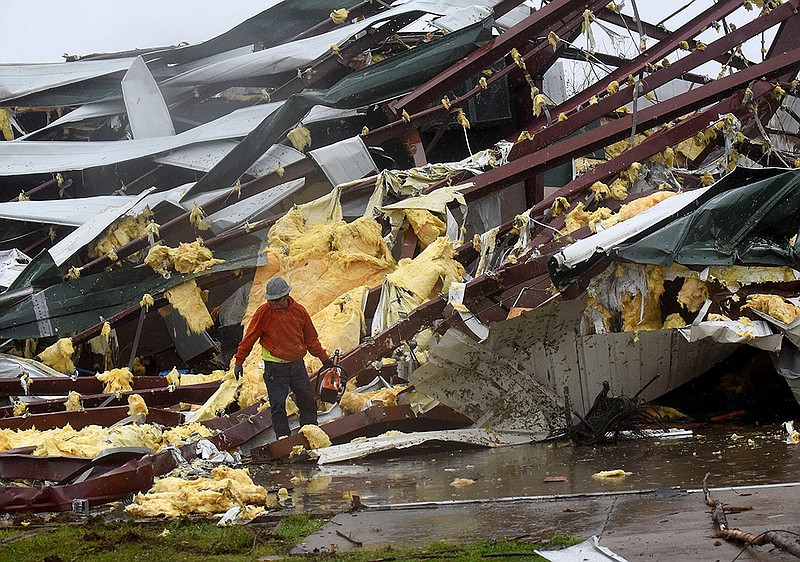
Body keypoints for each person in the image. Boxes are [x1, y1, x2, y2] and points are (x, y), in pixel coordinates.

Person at [233, 277, 333, 439]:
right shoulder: (263, 313)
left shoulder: (299, 312)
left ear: (287, 295)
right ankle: (283, 437)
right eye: (272, 300)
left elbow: (311, 339)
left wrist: (324, 359)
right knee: (278, 404)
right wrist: (239, 361)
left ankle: (311, 432)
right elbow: (249, 338)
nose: (275, 303)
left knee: (307, 399)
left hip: (297, 366)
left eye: (278, 300)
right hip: (275, 368)